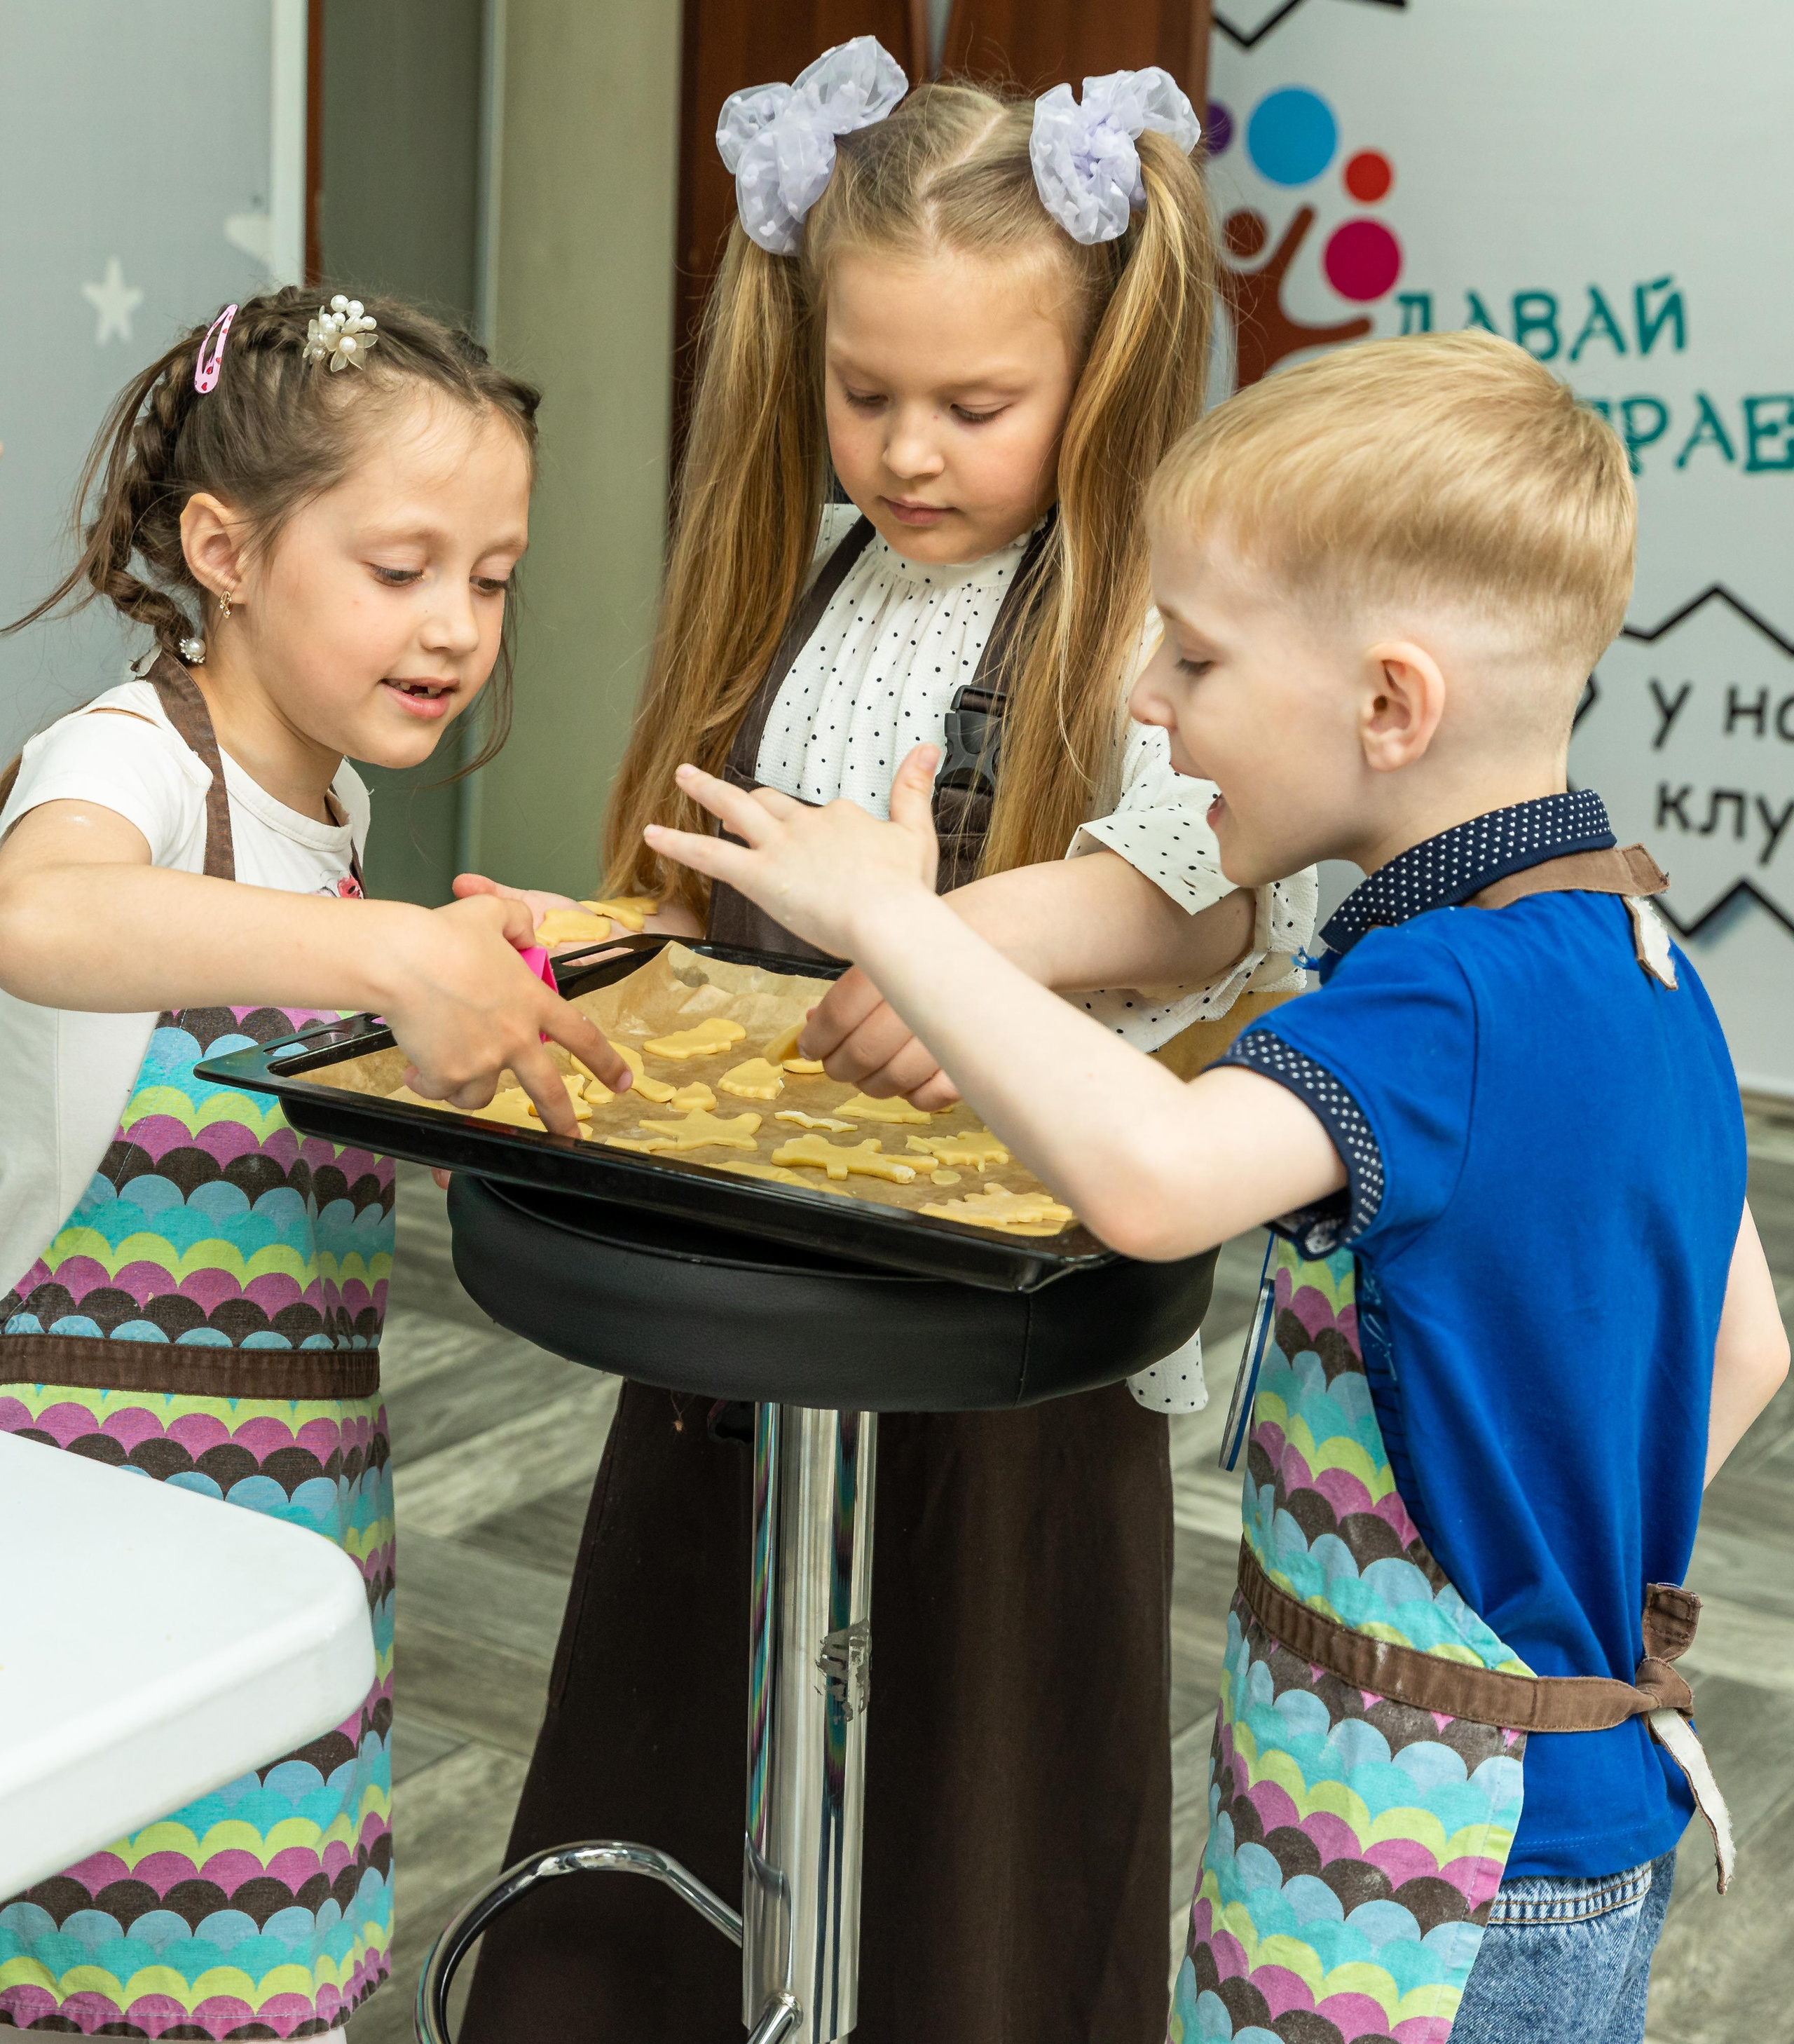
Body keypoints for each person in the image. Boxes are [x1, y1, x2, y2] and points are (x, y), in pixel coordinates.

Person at [643, 329, 1790, 2044]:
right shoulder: (1632, 953)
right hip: (1484, 1813)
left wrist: (898, 918)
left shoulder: (1439, 1006)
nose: (1142, 702)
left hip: (1440, 1875)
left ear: (1386, 705)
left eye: (1190, 656)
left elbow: (1157, 1180)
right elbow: (1743, 1352)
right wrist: (1533, 1570)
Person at [458, 39, 1314, 2044]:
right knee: (691, 1686)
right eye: (868, 396)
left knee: (971, 1773)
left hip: (991, 1324)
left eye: (975, 405)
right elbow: (721, 880)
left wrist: (948, 940)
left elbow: (1201, 888)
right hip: (756, 1293)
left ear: (1097, 381)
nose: (908, 450)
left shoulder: (1121, 618)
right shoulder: (822, 581)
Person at [0, 287, 624, 2038]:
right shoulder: (124, 764)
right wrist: (380, 959)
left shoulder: (325, 812)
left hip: (292, 1494)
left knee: (267, 1957)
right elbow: (39, 913)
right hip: (104, 1508)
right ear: (226, 550)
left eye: (490, 579)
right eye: (402, 568)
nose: (455, 627)